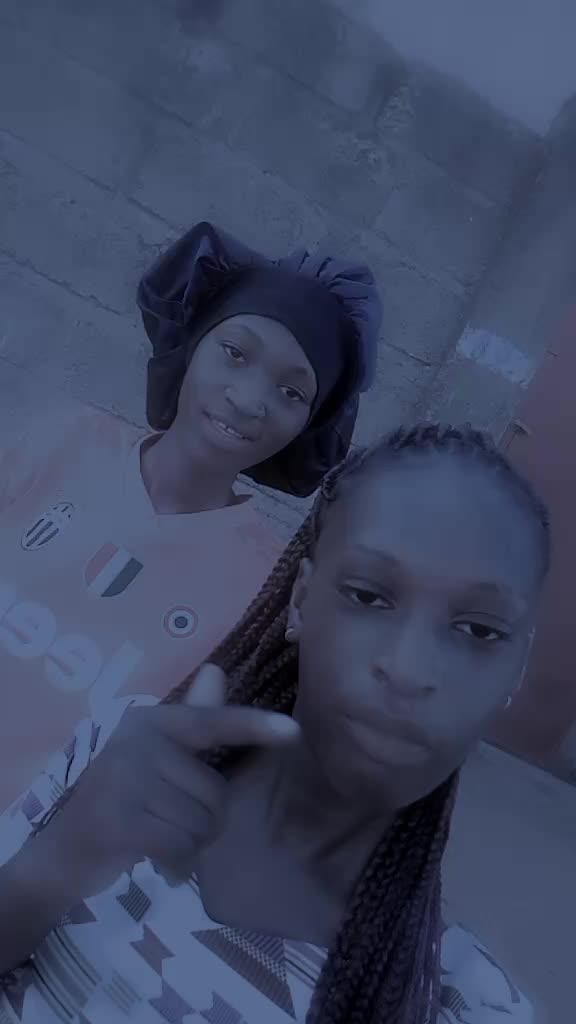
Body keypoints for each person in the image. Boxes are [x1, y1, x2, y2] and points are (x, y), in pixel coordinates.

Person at [0, 424, 547, 1023]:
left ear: (516, 670)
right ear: (301, 601)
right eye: (369, 596)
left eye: (478, 630)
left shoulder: (466, 1004)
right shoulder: (120, 755)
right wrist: (58, 861)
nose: (410, 669)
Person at [0, 221, 381, 808]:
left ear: (309, 424)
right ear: (194, 341)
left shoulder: (260, 590)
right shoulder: (63, 442)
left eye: (291, 392)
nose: (249, 399)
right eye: (235, 353)